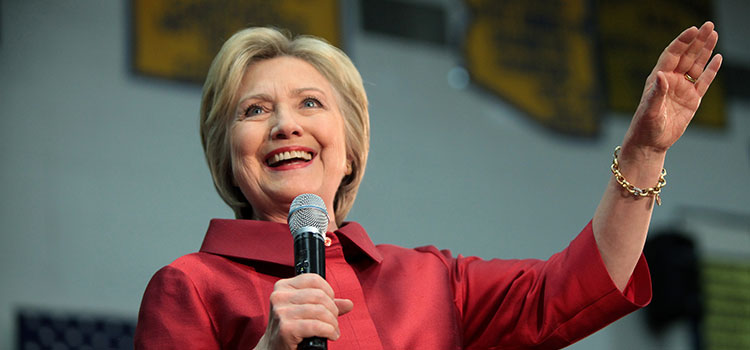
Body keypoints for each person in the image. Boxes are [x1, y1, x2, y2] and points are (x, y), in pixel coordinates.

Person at [134, 22, 722, 349]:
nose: (286, 123)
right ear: (227, 152)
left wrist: (645, 152)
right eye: (254, 110)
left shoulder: (431, 280)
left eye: (310, 103)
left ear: (351, 147)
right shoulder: (189, 287)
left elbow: (577, 285)